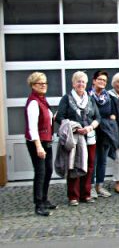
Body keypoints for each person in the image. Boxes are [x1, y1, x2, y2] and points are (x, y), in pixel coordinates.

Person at [56, 71, 101, 206]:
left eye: (83, 82)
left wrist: (89, 128)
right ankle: (73, 196)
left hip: (90, 137)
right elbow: (59, 117)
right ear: (73, 83)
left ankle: (85, 194)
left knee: (89, 165)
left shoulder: (90, 99)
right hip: (74, 138)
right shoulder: (66, 98)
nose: (81, 84)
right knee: (74, 165)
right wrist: (74, 127)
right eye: (78, 81)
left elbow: (97, 118)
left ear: (86, 84)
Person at [25, 72, 56, 216]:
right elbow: (32, 127)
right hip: (37, 142)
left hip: (47, 140)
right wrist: (38, 146)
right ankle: (38, 204)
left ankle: (44, 199)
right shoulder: (33, 102)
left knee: (48, 170)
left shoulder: (43, 100)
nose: (43, 85)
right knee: (40, 172)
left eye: (45, 83)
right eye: (40, 83)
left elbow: (47, 119)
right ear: (32, 85)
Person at [90, 70, 119, 199]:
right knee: (94, 160)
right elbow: (90, 114)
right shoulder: (88, 96)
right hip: (93, 132)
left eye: (104, 80)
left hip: (105, 133)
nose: (102, 82)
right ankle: (91, 187)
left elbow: (113, 114)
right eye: (100, 79)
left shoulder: (108, 97)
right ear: (94, 81)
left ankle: (100, 186)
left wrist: (111, 117)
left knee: (102, 161)